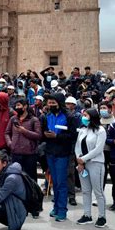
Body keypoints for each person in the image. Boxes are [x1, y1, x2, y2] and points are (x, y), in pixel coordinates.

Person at [40, 93, 77, 222]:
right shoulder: (46, 116)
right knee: (54, 182)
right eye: (49, 103)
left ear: (60, 103)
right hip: (50, 152)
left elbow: (72, 136)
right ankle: (55, 207)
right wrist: (45, 135)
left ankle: (62, 210)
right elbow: (42, 134)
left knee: (61, 182)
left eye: (53, 103)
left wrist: (57, 136)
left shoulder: (69, 117)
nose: (50, 105)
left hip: (63, 153)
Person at [75, 108, 107, 228]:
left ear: (92, 116)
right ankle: (87, 215)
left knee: (98, 191)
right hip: (82, 164)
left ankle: (102, 216)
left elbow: (98, 149)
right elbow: (77, 146)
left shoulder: (100, 130)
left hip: (95, 163)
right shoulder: (83, 130)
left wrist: (84, 158)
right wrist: (80, 160)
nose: (83, 117)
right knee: (86, 190)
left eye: (86, 115)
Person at [5, 98, 42, 179]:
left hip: (30, 154)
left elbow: (38, 135)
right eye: (15, 105)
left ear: (25, 106)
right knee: (15, 177)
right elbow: (7, 133)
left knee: (30, 178)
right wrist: (10, 143)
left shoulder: (34, 120)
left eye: (18, 105)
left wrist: (25, 131)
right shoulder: (13, 119)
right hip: (15, 153)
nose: (16, 107)